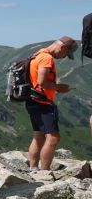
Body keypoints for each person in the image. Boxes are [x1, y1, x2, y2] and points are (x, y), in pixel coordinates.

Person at [25, 36, 77, 172]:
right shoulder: (47, 58)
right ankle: (45, 172)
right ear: (62, 47)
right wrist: (59, 88)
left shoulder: (38, 53)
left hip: (33, 100)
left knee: (39, 135)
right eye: (66, 53)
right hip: (42, 102)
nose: (65, 56)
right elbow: (42, 82)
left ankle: (33, 168)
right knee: (53, 137)